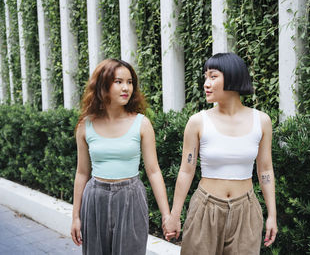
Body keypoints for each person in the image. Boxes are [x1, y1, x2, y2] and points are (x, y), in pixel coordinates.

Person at [164, 53, 278, 254]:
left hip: (246, 210)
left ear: (233, 76)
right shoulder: (197, 122)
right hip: (205, 209)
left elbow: (265, 169)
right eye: (205, 77)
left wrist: (272, 215)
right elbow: (186, 171)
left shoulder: (261, 121)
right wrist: (174, 214)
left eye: (213, 76)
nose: (206, 84)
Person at [70, 59, 173, 255]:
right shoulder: (85, 125)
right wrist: (75, 216)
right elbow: (82, 173)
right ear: (103, 85)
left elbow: (153, 171)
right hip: (95, 198)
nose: (126, 88)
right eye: (118, 82)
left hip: (131, 197)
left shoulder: (142, 124)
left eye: (130, 82)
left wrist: (166, 215)